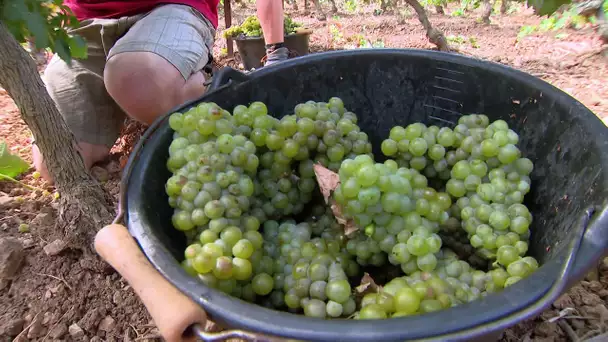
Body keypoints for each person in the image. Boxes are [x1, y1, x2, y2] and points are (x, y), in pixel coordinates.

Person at [33, 0, 288, 183]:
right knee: (55, 163)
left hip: (173, 7)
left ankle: (205, 87)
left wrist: (275, 51)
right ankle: (137, 100)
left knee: (136, 79)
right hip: (83, 23)